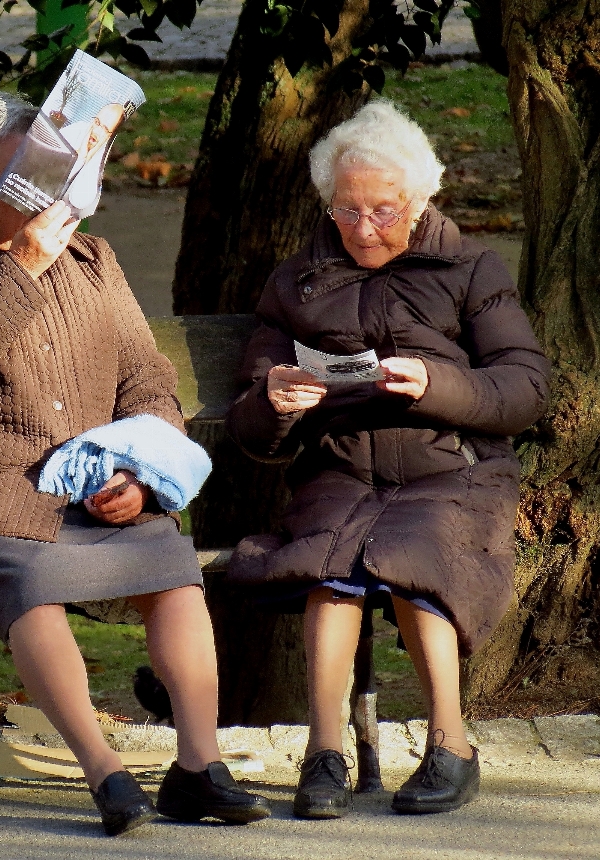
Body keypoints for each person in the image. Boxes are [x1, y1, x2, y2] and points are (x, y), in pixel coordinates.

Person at [0, 91, 269, 836]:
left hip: (89, 482)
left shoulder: (92, 258)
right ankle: (105, 773)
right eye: (31, 169)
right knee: (31, 579)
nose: (53, 185)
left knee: (173, 567)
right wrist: (21, 266)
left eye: (57, 165)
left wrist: (140, 476)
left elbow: (146, 379)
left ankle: (197, 768)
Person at [225, 100, 549, 819]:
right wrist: (274, 400)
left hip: (452, 469)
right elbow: (253, 419)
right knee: (331, 568)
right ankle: (324, 753)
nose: (364, 229)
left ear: (421, 199)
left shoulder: (470, 267)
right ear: (326, 205)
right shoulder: (297, 280)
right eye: (347, 212)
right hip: (342, 469)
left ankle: (451, 745)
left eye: (383, 210)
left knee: (413, 554)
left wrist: (441, 385)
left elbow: (525, 385)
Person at [60, 102, 125, 217]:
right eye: (97, 122)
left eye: (105, 129)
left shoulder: (102, 156)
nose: (96, 131)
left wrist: (83, 159)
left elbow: (78, 201)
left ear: (111, 136)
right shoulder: (79, 128)